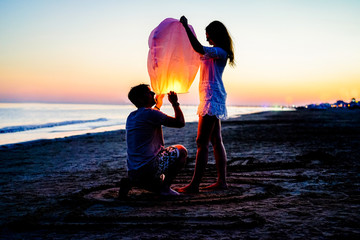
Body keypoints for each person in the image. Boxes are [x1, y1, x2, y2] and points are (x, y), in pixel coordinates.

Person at [177, 16, 235, 193]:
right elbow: (195, 51)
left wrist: (186, 27)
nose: (207, 39)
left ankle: (194, 185)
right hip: (209, 96)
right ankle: (222, 182)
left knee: (201, 141)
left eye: (208, 35)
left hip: (212, 97)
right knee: (216, 140)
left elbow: (197, 47)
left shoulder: (220, 52)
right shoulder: (213, 51)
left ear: (215, 35)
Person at [122, 84, 187, 196]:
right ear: (141, 99)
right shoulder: (151, 114)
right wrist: (175, 103)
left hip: (133, 171)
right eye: (149, 92)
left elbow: (151, 115)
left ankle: (131, 181)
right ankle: (165, 189)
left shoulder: (132, 116)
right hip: (149, 169)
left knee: (157, 184)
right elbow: (180, 122)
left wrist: (158, 104)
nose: (153, 94)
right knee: (181, 151)